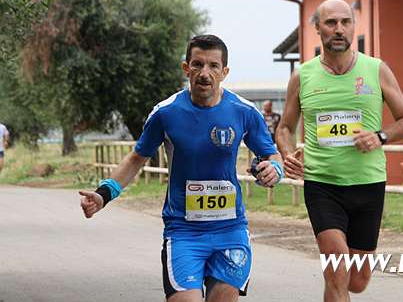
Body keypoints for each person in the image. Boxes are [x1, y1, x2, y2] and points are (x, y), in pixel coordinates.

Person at [79, 35, 284, 302]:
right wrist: (104, 194)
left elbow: (271, 154)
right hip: (184, 232)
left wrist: (274, 169)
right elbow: (136, 158)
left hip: (230, 230)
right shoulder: (166, 113)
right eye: (197, 64)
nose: (205, 73)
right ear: (186, 68)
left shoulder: (244, 111)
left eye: (213, 66)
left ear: (224, 72)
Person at [276, 0, 403, 301]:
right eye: (331, 23)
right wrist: (288, 153)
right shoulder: (302, 75)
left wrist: (380, 136)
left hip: (368, 183)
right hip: (322, 184)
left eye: (345, 22)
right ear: (317, 28)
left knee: (357, 280)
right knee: (337, 266)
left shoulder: (376, 69)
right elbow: (285, 127)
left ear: (353, 26)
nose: (338, 29)